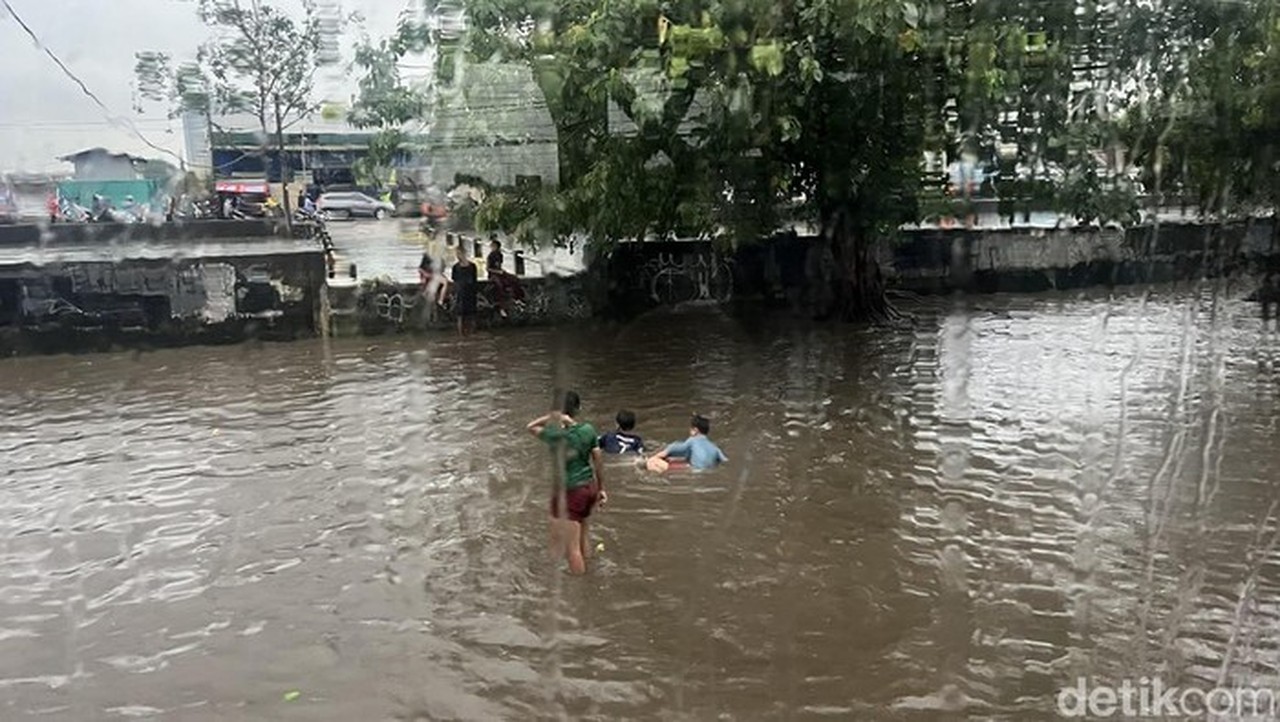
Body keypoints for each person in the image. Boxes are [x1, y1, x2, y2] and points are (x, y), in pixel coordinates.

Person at [528, 390, 606, 575]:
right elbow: (598, 461)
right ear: (578, 408)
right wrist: (601, 489)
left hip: (570, 491)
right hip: (589, 487)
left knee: (572, 549)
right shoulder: (588, 430)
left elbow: (530, 426)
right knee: (583, 534)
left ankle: (582, 589)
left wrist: (551, 417)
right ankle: (589, 568)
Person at [647, 414, 728, 472]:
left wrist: (658, 455)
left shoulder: (692, 440)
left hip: (694, 471)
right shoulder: (714, 447)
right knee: (676, 460)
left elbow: (674, 448)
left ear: (695, 431)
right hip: (709, 471)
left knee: (652, 461)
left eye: (690, 429)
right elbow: (725, 461)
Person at [444, 242, 478, 335]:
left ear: (464, 253)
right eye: (457, 254)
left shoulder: (472, 266)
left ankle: (472, 333)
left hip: (470, 292)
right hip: (461, 293)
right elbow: (454, 279)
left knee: (472, 315)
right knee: (460, 315)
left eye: (459, 253)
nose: (458, 256)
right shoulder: (456, 267)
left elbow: (474, 279)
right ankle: (461, 334)